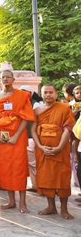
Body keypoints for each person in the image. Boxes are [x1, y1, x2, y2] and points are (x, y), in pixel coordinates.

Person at [0, 66, 35, 213]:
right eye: (3, 77)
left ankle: (22, 203)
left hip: (17, 136)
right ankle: (11, 201)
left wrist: (16, 136)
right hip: (2, 136)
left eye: (8, 77)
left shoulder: (22, 96)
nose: (5, 79)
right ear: (0, 80)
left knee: (19, 167)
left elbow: (26, 118)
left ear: (13, 79)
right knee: (5, 168)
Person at [31, 84, 75, 220]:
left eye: (51, 92)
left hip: (60, 150)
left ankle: (64, 209)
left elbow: (68, 129)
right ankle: (51, 207)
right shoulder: (37, 110)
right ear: (42, 94)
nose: (48, 95)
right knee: (46, 177)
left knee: (62, 178)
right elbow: (33, 130)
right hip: (43, 150)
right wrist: (40, 146)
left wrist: (59, 147)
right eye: (45, 92)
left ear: (56, 94)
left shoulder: (64, 108)